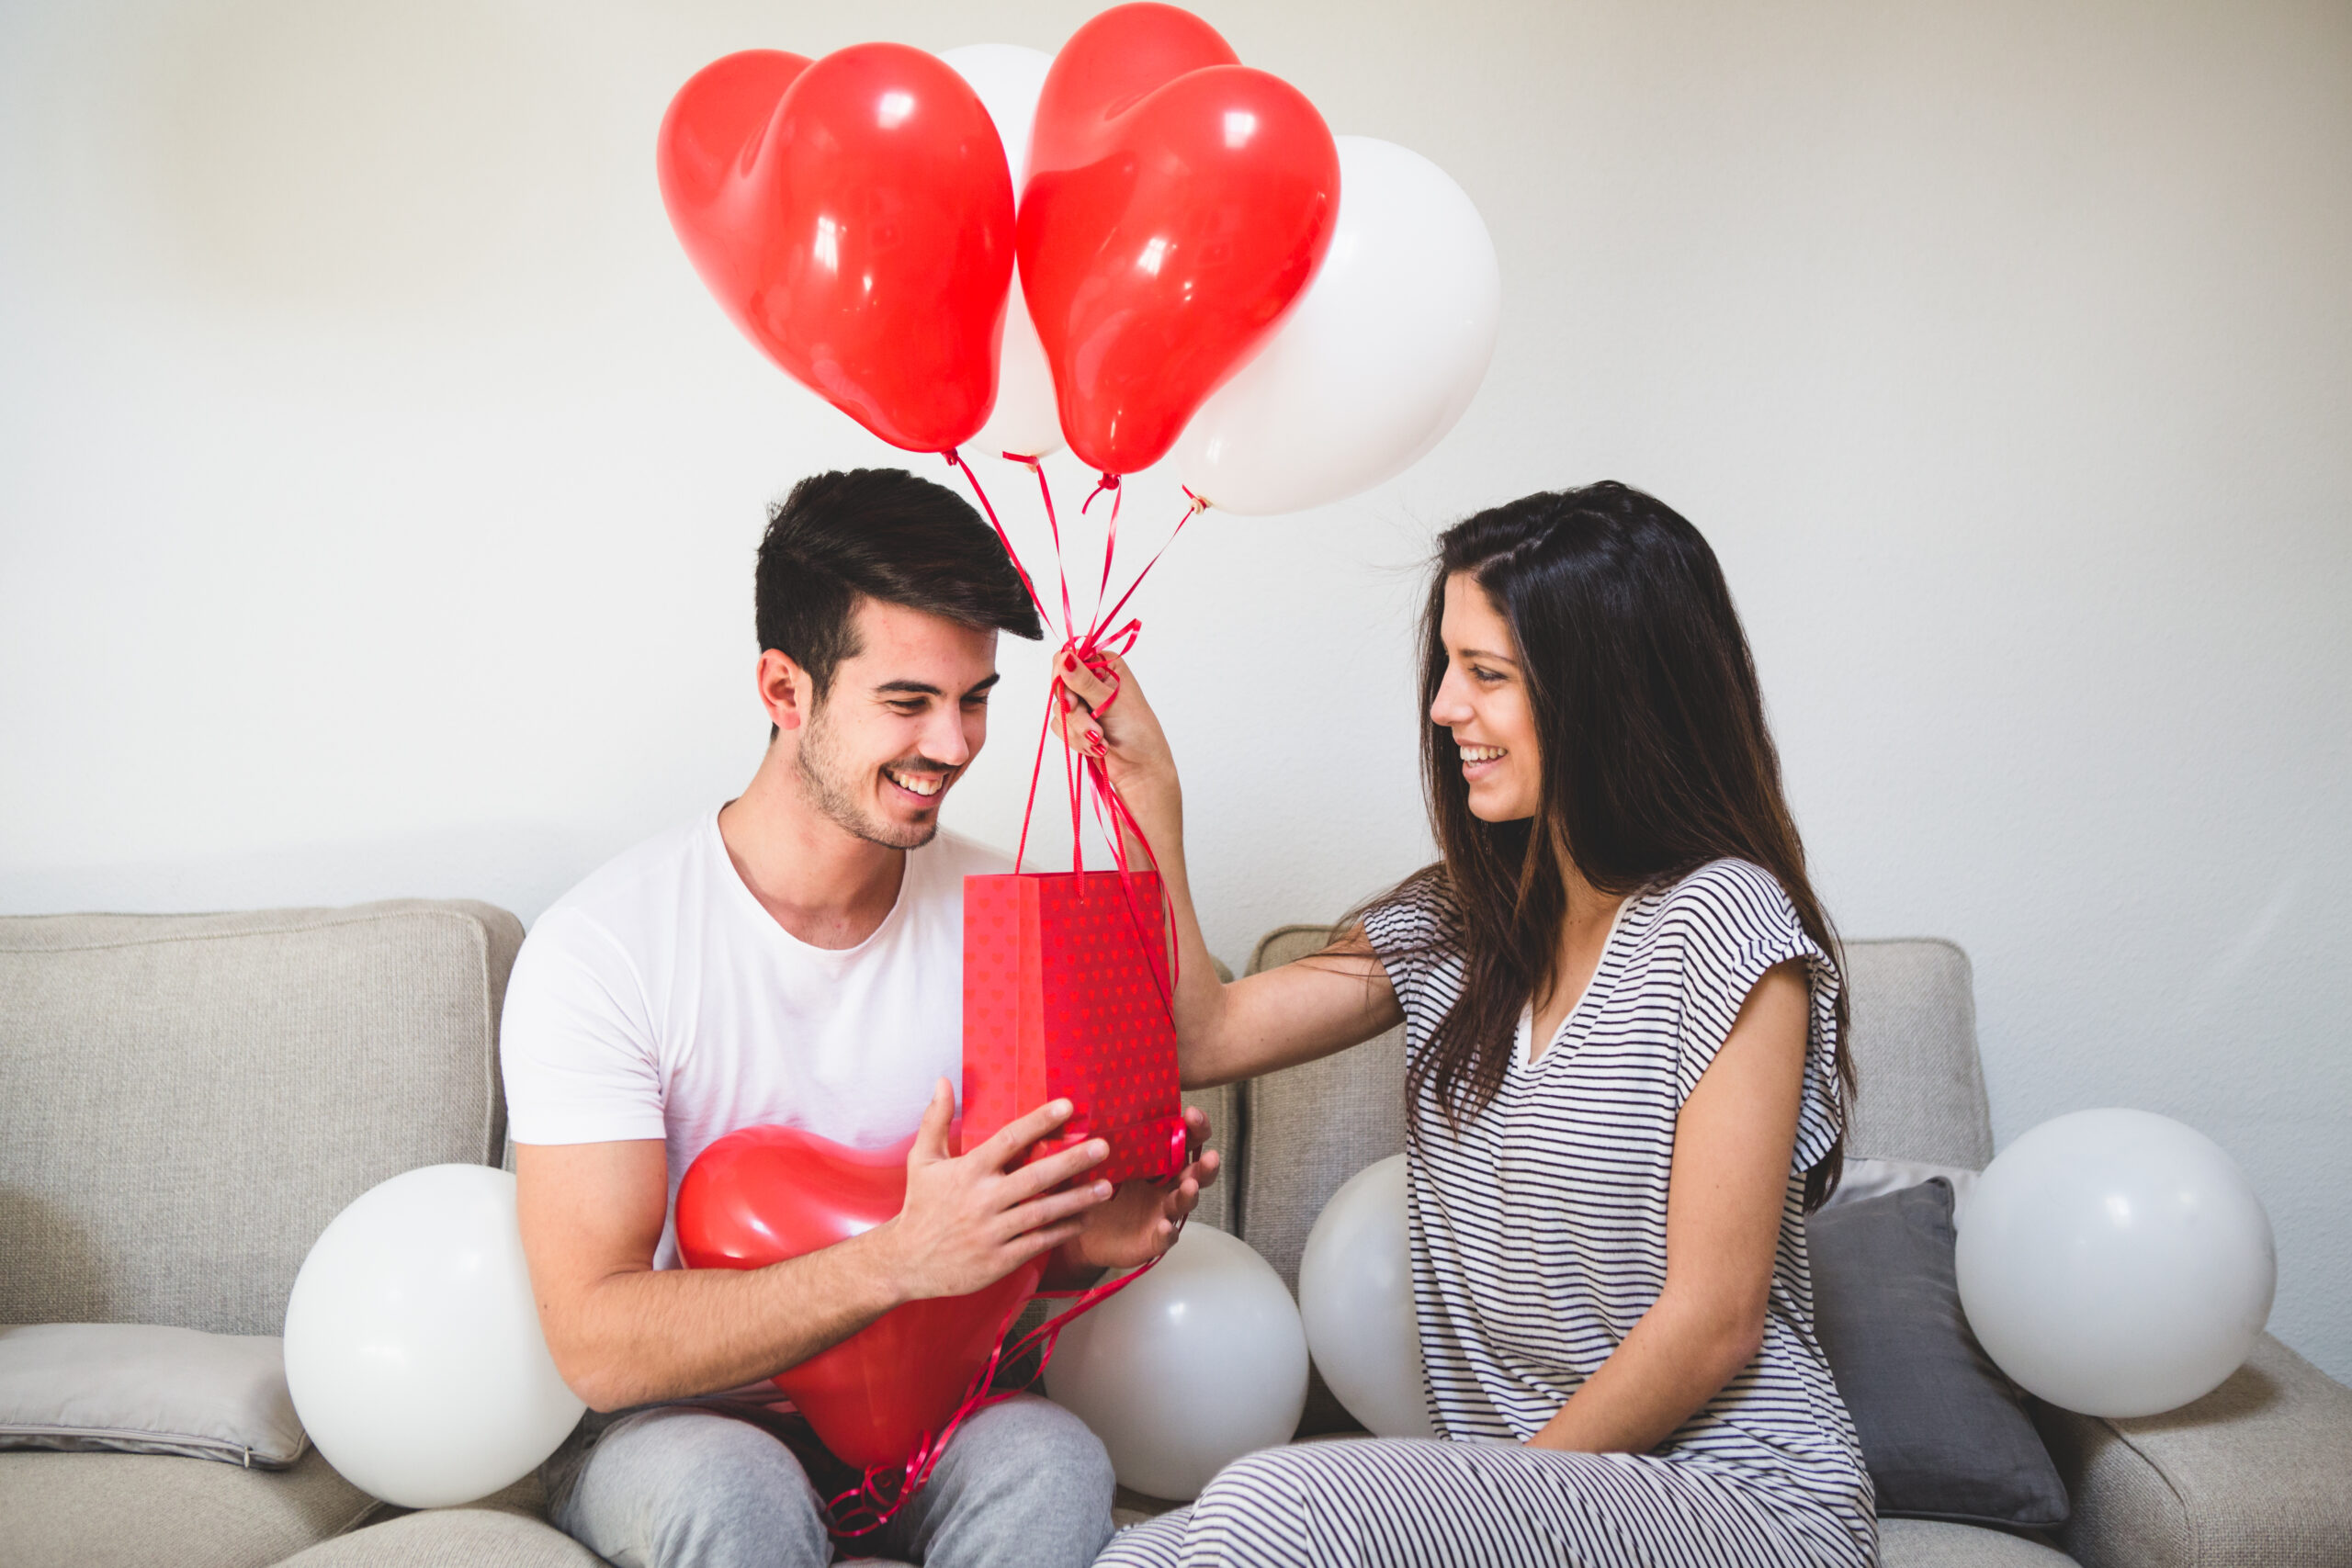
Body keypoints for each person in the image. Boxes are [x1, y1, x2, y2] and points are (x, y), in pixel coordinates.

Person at [1065, 482, 1876, 1568]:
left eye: (1487, 675)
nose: (1445, 707)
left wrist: (1488, 1514)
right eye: (1448, 666)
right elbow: (1202, 1039)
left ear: (1606, 695)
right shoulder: (1462, 922)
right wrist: (1147, 799)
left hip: (1743, 1501)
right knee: (1139, 1558)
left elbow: (1714, 1321)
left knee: (1274, 1503)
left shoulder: (1723, 922)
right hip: (1534, 1503)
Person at [501, 468, 1218, 1568]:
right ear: (784, 691)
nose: (955, 743)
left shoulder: (1003, 918)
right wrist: (892, 1260)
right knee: (734, 1491)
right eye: (907, 701)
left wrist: (1094, 1244)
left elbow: (1003, 1249)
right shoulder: (604, 948)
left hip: (941, 1410)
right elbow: (598, 1347)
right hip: (687, 1423)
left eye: (974, 697)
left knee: (1052, 1462)